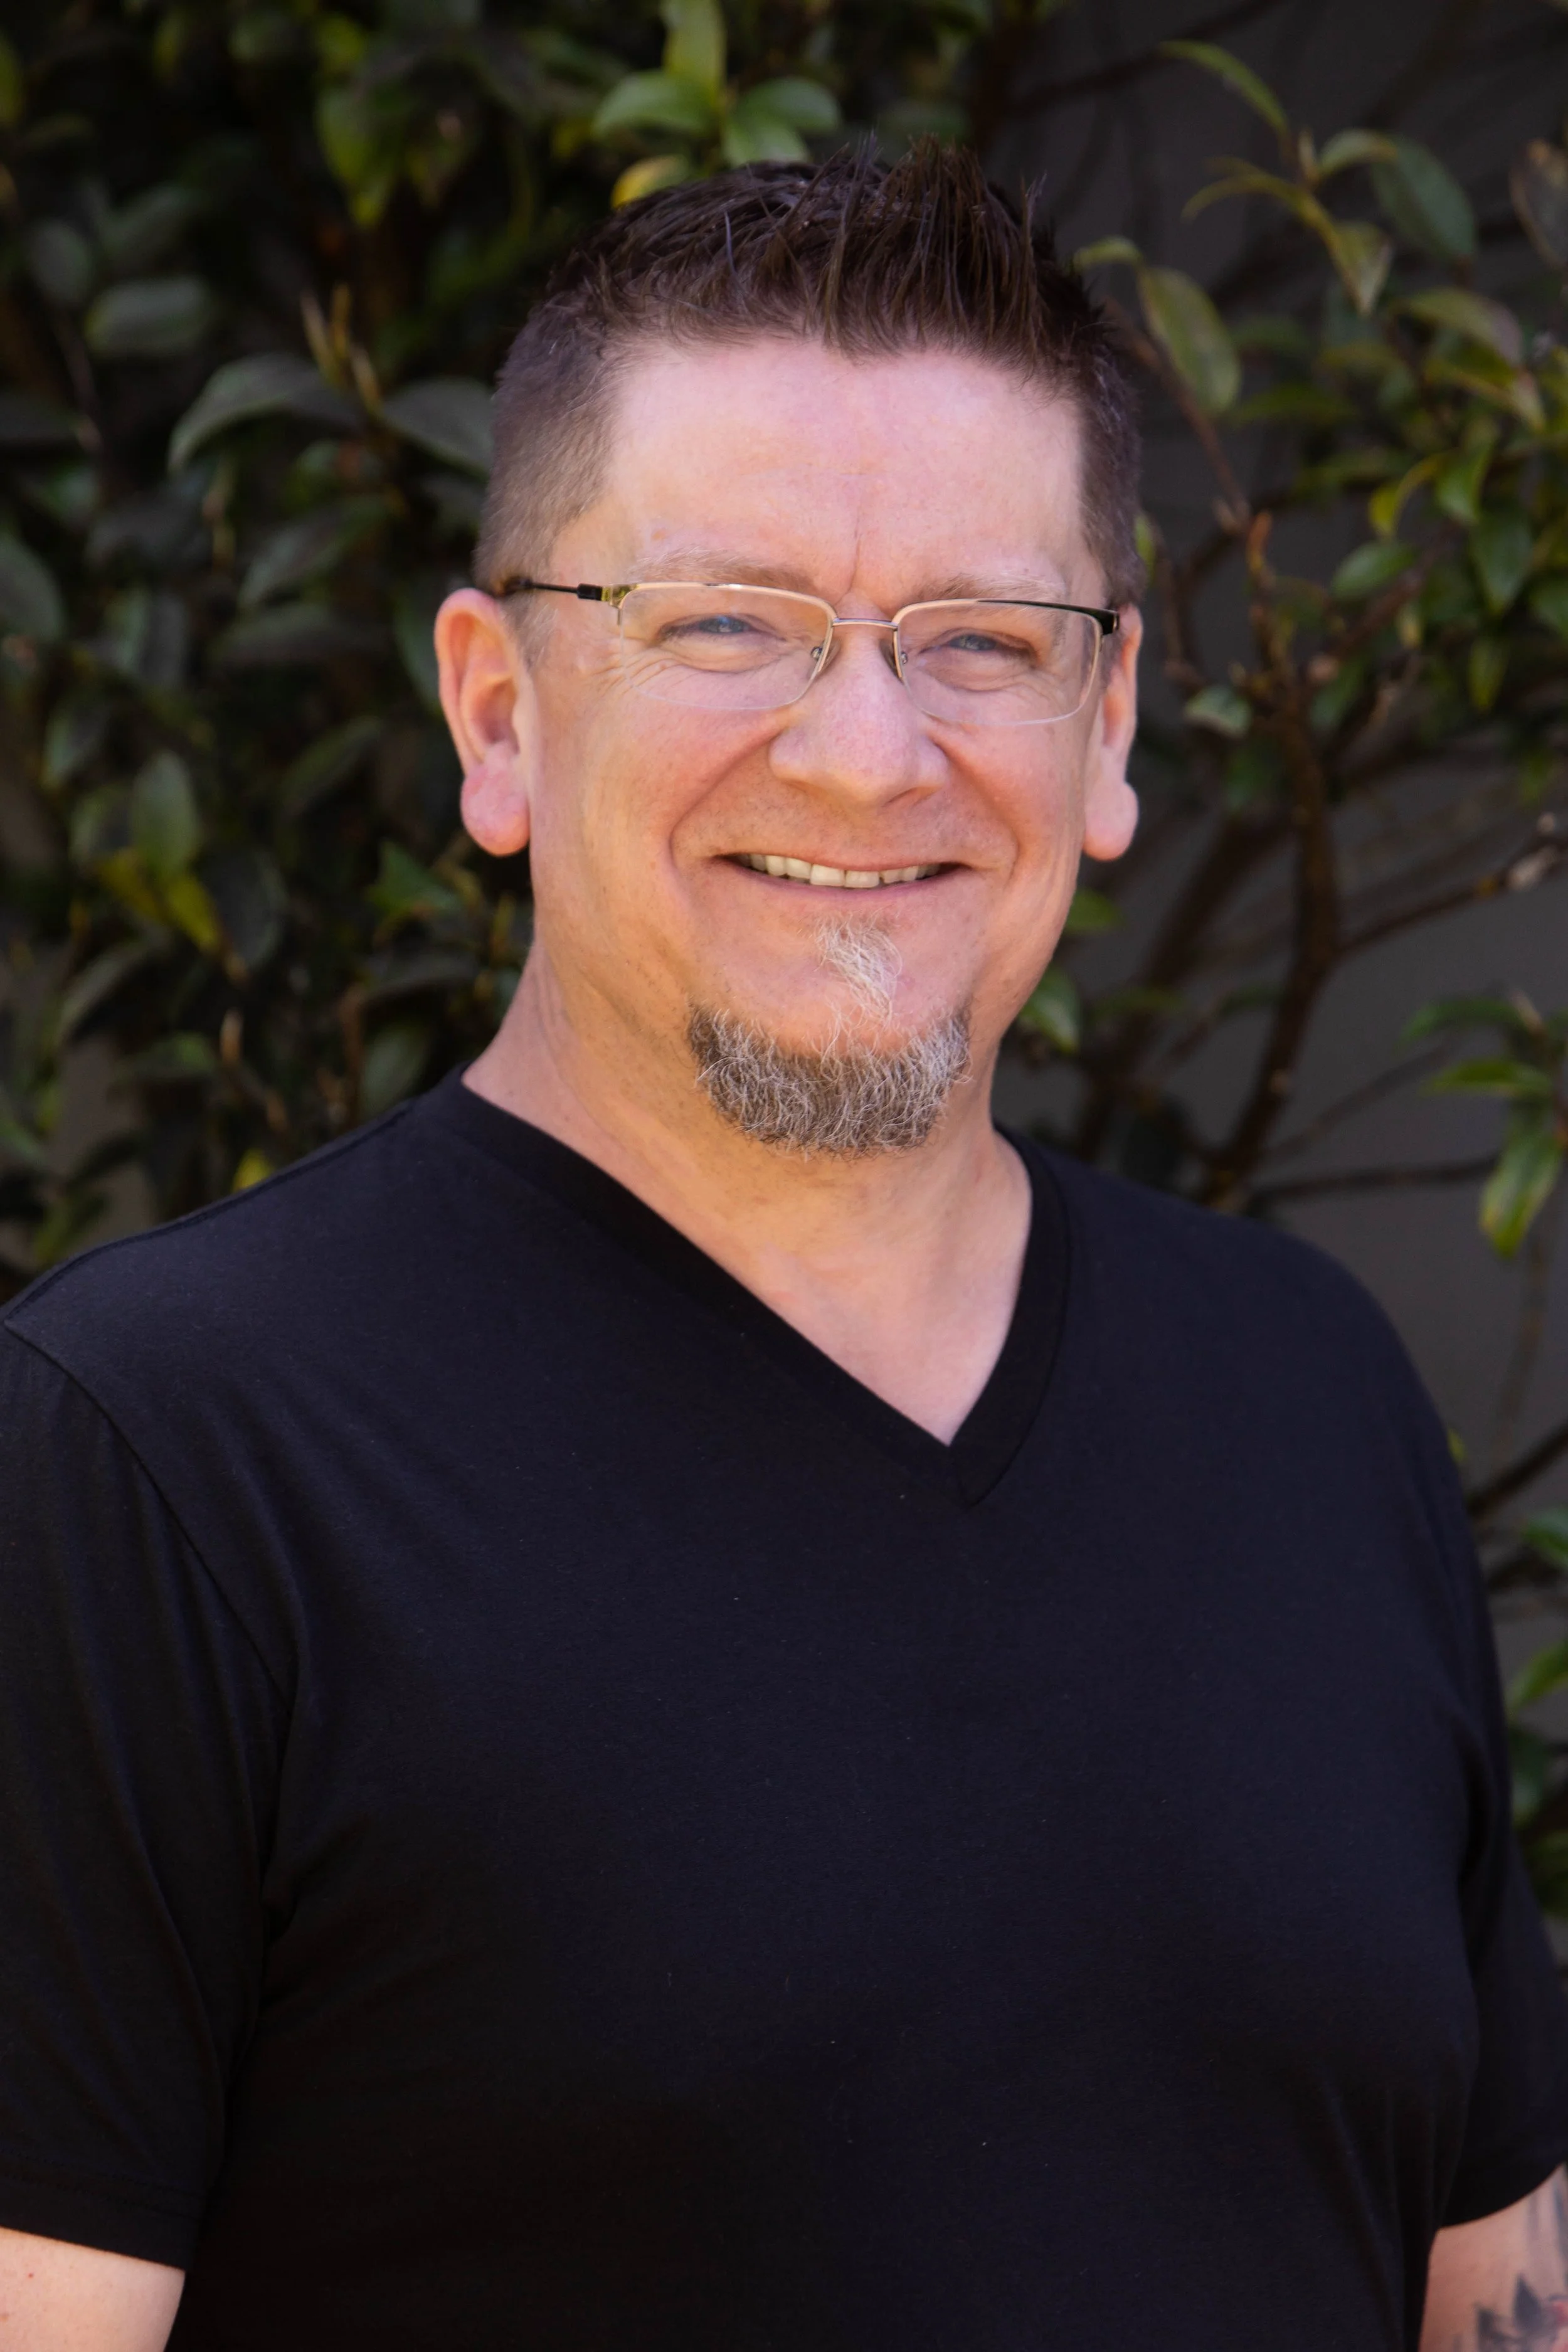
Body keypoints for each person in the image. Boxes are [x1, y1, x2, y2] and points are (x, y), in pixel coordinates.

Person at [1, 143, 1565, 2352]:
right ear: (497, 710)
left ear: (1105, 726)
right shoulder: (150, 1463)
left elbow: (1491, 2298)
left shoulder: (1307, 1395)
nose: (862, 752)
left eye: (982, 640)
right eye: (724, 619)